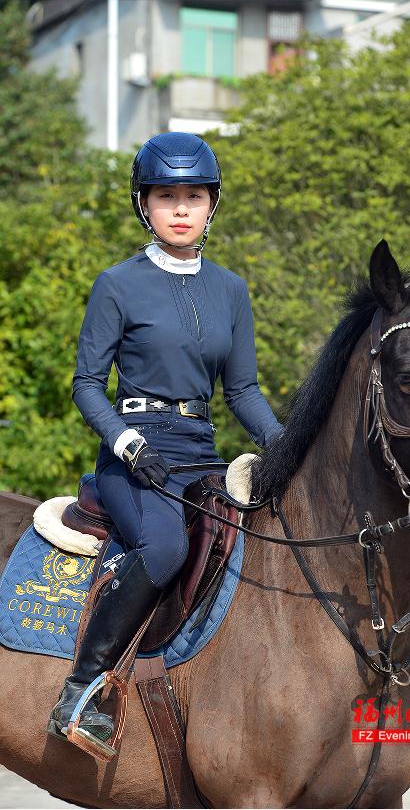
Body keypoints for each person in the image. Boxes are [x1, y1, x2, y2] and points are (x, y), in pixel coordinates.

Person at [47, 132, 283, 749]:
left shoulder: (231, 290)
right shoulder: (117, 284)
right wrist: (126, 443)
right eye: (166, 196)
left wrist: (288, 446)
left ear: (212, 205)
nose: (181, 209)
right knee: (165, 546)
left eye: (194, 196)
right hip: (133, 457)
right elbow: (87, 385)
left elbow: (243, 392)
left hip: (199, 453)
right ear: (143, 204)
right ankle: (81, 690)